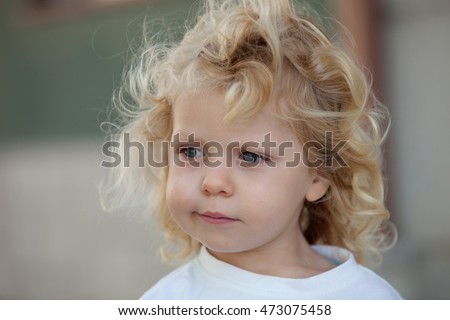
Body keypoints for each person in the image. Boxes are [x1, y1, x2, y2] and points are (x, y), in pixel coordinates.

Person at [104, 0, 402, 299]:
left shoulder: (370, 299)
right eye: (190, 152)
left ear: (318, 175)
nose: (213, 182)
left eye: (250, 156)